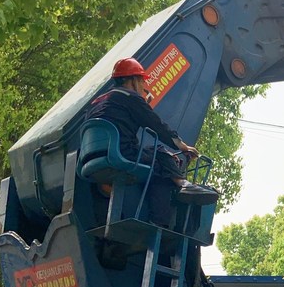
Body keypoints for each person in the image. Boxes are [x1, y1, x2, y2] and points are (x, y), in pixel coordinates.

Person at [86, 57, 218, 224]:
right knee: (161, 156)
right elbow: (156, 125)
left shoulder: (96, 102)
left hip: (91, 159)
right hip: (120, 153)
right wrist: (182, 146)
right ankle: (179, 189)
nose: (143, 85)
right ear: (132, 80)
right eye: (142, 80)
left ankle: (104, 224)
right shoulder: (130, 97)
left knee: (148, 165)